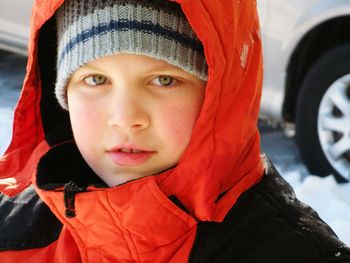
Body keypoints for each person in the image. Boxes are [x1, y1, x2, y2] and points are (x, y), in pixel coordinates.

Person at [0, 0, 349, 262]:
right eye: (96, 79)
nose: (125, 118)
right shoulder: (14, 231)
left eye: (163, 80)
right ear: (63, 93)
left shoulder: (292, 251)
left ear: (218, 93)